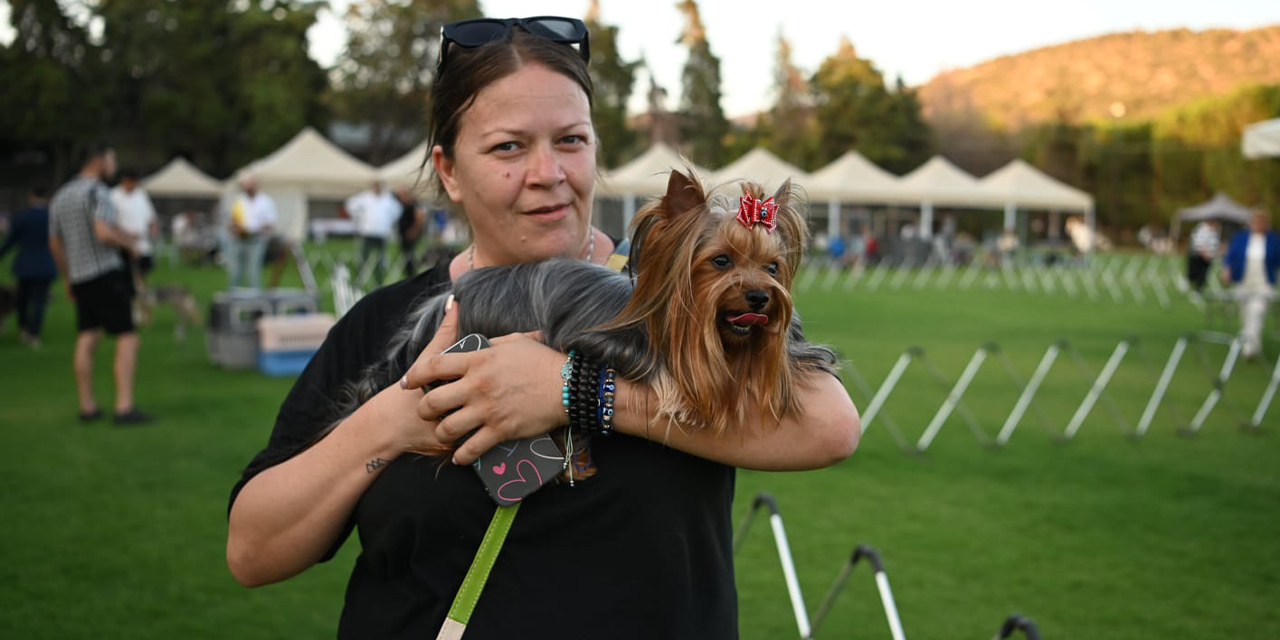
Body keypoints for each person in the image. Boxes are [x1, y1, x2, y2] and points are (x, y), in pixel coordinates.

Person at [226, 17, 859, 639]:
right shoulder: (389, 322)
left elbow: (827, 425)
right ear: (448, 169)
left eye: (571, 141)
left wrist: (577, 391)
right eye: (509, 146)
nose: (548, 173)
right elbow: (254, 551)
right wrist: (392, 421)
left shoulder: (681, 290)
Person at [47, 144, 154, 424]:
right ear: (98, 161)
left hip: (80, 276)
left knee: (87, 336)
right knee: (128, 337)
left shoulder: (61, 196)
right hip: (105, 272)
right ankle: (124, 407)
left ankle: (87, 406)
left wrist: (67, 275)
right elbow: (102, 231)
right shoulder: (97, 191)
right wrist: (129, 244)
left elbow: (55, 243)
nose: (114, 163)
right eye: (111, 158)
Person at [0, 186, 57, 348]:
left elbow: (10, 241)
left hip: (24, 265)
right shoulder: (51, 217)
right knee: (39, 301)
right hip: (45, 265)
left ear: (31, 196)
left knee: (22, 299)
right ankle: (34, 334)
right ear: (46, 197)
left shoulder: (21, 217)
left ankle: (23, 328)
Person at [1222, 209, 1280, 359]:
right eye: (1255, 221)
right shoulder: (1241, 238)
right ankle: (1254, 342)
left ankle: (1249, 348)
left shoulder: (1273, 240)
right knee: (1245, 313)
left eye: (1261, 222)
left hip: (1264, 283)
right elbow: (1230, 256)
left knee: (1257, 310)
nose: (1258, 225)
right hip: (1243, 281)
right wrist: (1227, 270)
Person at [109, 168, 159, 289]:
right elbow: (110, 223)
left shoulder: (141, 194)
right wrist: (126, 236)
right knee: (126, 276)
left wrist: (153, 228)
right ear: (124, 181)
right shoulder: (113, 196)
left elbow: (151, 217)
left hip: (143, 243)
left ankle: (140, 298)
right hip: (123, 244)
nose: (135, 185)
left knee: (142, 274)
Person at [345, 180, 399, 284]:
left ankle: (378, 280)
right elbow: (351, 206)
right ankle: (359, 279)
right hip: (367, 232)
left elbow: (397, 211)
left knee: (381, 258)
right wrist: (359, 218)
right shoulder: (364, 197)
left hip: (381, 233)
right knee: (363, 257)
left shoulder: (387, 199)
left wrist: (388, 222)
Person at [226, 177, 276, 289]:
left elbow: (270, 224)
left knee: (253, 272)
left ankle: (255, 300)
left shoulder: (265, 202)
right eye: (245, 186)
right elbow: (233, 219)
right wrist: (235, 228)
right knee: (235, 271)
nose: (247, 188)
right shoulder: (240, 200)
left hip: (256, 240)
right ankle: (233, 296)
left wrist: (253, 229)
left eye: (249, 186)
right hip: (239, 240)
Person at [394, 185, 426, 275]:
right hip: (404, 236)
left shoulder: (413, 205)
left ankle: (412, 274)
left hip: (411, 236)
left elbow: (420, 218)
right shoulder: (403, 206)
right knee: (406, 257)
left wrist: (414, 231)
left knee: (411, 257)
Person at [1186, 219, 1219, 292]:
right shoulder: (1202, 229)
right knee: (1194, 274)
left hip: (1208, 257)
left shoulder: (1215, 232)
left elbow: (1215, 244)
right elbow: (1199, 244)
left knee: (1203, 277)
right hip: (1199, 257)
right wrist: (1205, 255)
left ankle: (1198, 290)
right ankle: (1188, 285)